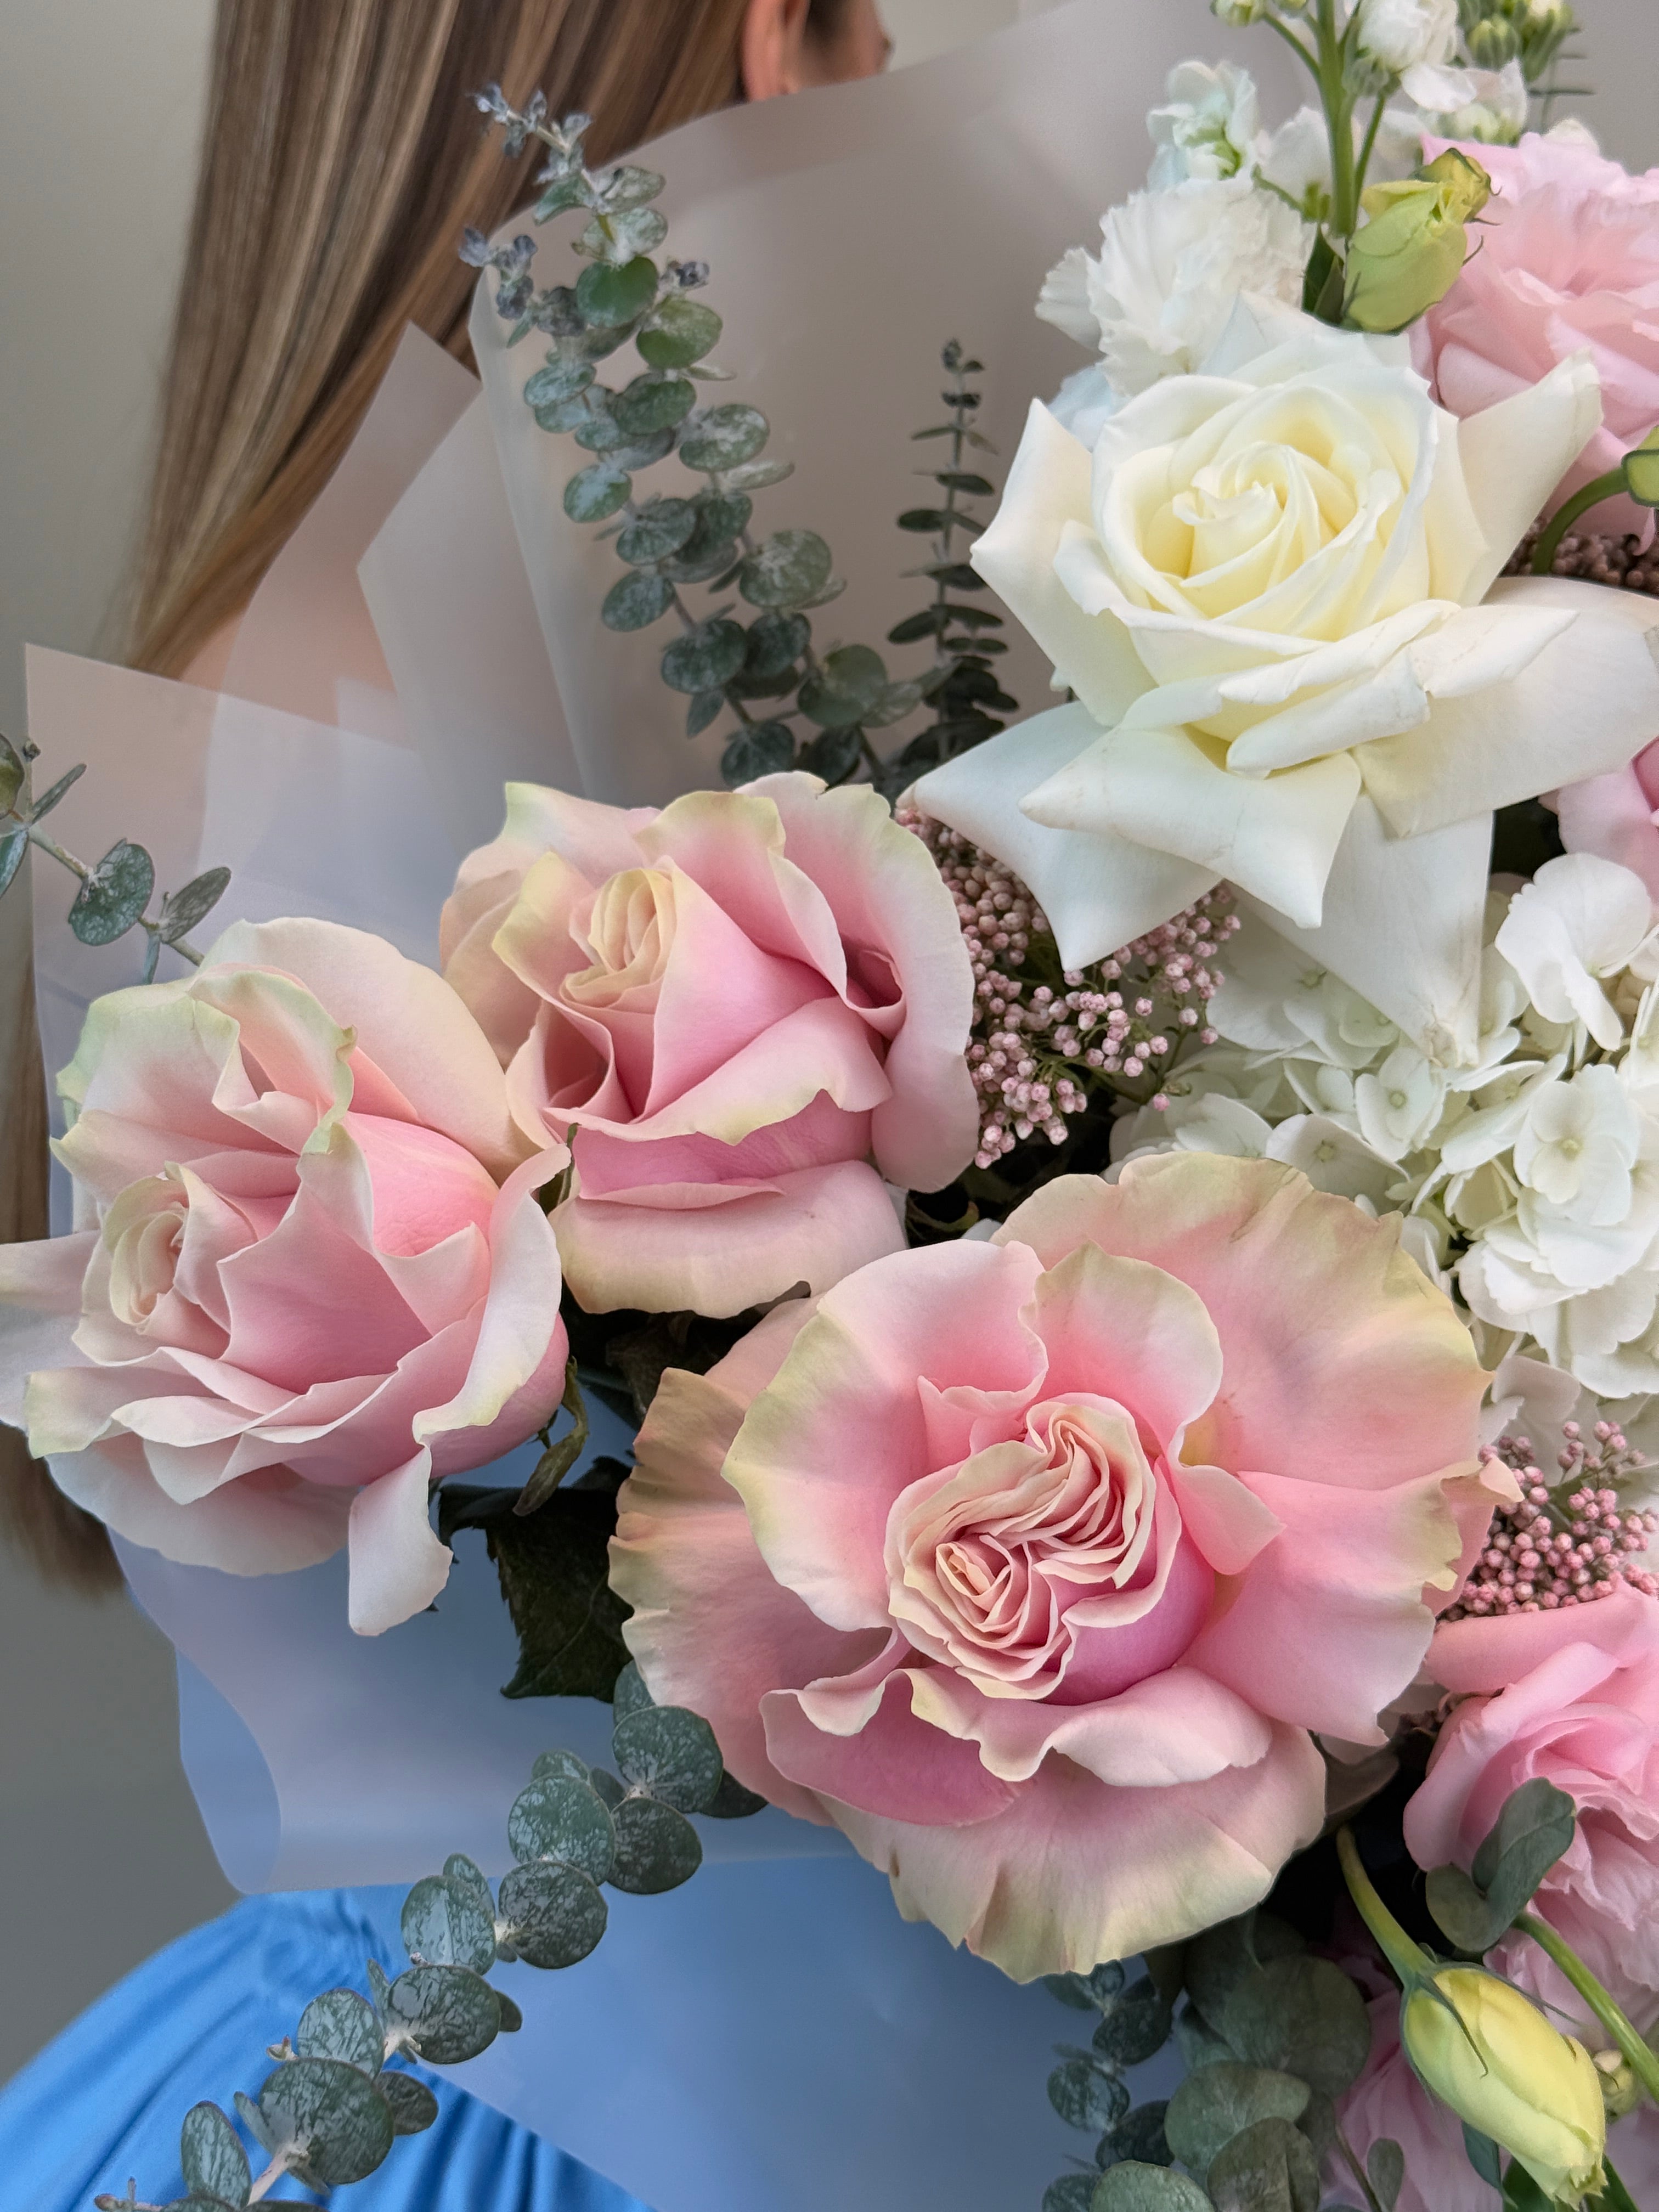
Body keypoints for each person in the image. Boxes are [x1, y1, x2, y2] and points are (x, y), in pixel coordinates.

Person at [0, 6, 887, 2203]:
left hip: (359, 2094)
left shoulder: (212, 690)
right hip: (636, 2112)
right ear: (777, 45)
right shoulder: (697, 665)